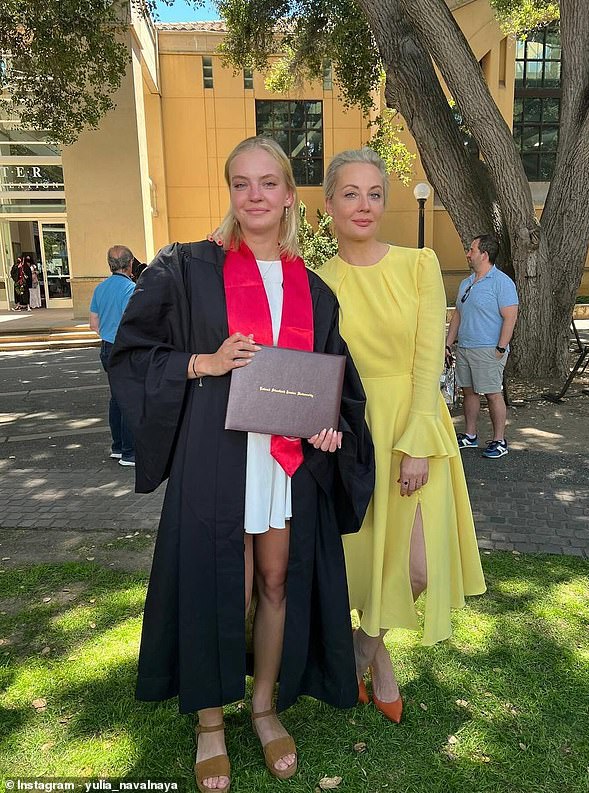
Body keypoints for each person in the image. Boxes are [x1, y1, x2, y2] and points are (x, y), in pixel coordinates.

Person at [108, 136, 374, 792]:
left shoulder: (313, 290)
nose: (254, 195)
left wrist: (332, 429)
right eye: (241, 183)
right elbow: (133, 352)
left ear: (289, 194)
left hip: (284, 463)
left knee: (278, 581)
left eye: (267, 183)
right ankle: (209, 725)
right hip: (217, 455)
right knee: (217, 580)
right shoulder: (185, 267)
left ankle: (262, 707)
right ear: (231, 192)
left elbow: (335, 383)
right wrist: (204, 361)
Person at [317, 147, 486, 723]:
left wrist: (415, 441)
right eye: (350, 193)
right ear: (328, 202)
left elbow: (426, 362)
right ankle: (381, 667)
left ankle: (359, 656)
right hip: (351, 438)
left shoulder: (418, 264)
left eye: (374, 194)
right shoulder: (319, 282)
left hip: (414, 428)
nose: (364, 206)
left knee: (416, 567)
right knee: (360, 561)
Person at [445, 235, 519, 459]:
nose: (468, 254)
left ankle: (499, 441)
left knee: (493, 394)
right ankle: (470, 435)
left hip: (488, 350)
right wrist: (447, 344)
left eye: (472, 250)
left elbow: (510, 317)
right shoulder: (467, 282)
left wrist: (500, 348)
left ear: (484, 255)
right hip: (465, 348)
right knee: (469, 392)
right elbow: (458, 315)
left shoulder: (502, 282)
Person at [89, 246, 136, 467]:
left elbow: (93, 324)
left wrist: (108, 333)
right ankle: (129, 452)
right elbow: (133, 323)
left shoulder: (100, 289)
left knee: (116, 397)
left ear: (110, 264)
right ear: (130, 263)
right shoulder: (131, 289)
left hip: (107, 347)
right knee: (128, 399)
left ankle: (117, 447)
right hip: (126, 349)